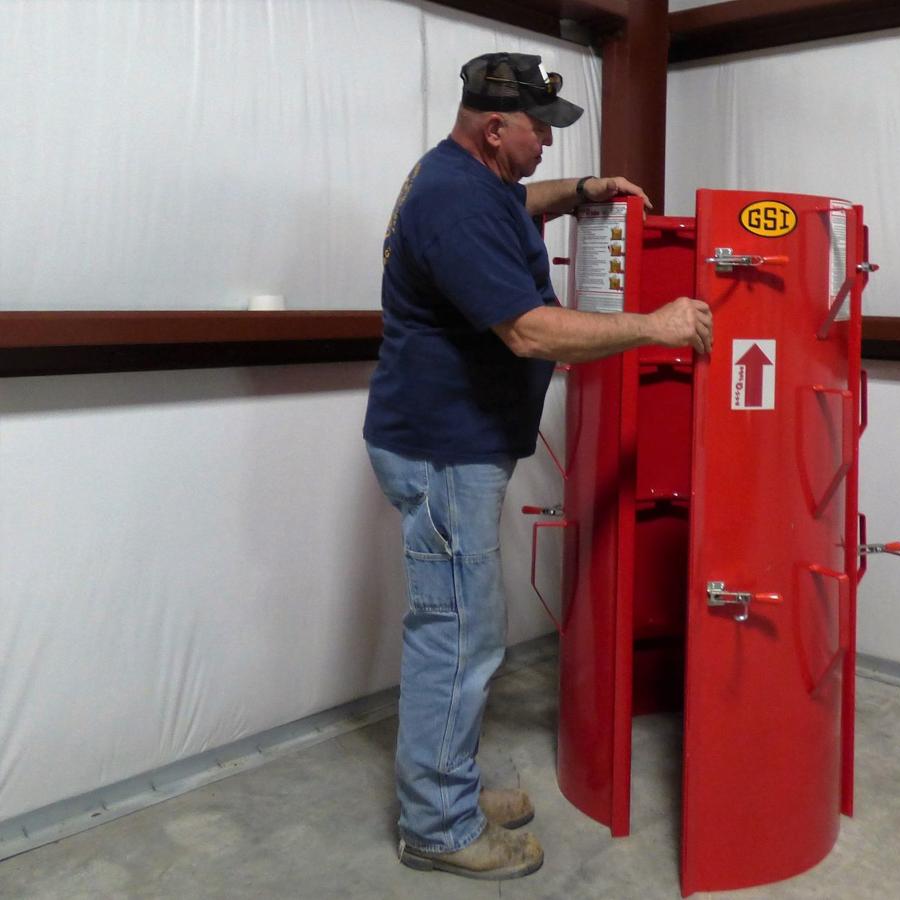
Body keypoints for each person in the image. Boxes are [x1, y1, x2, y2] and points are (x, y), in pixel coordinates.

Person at [362, 51, 712, 881]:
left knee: (462, 627)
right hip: (443, 449)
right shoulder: (454, 204)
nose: (547, 146)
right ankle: (436, 826)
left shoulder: (467, 178)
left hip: (452, 441)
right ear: (493, 128)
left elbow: (519, 201)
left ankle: (444, 784)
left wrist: (585, 192)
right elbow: (530, 331)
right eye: (537, 132)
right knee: (457, 636)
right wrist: (655, 326)